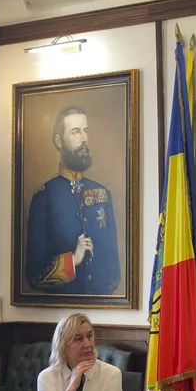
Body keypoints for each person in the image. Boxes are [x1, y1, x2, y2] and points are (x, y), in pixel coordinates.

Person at [24, 105, 121, 295]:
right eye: (75, 132)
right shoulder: (44, 197)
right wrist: (73, 260)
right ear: (59, 141)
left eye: (85, 131)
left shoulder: (102, 192)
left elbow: (113, 270)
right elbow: (34, 274)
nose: (84, 138)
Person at [37, 313, 123, 391]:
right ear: (63, 345)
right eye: (78, 339)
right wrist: (71, 388)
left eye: (89, 336)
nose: (87, 344)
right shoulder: (47, 377)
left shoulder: (111, 374)